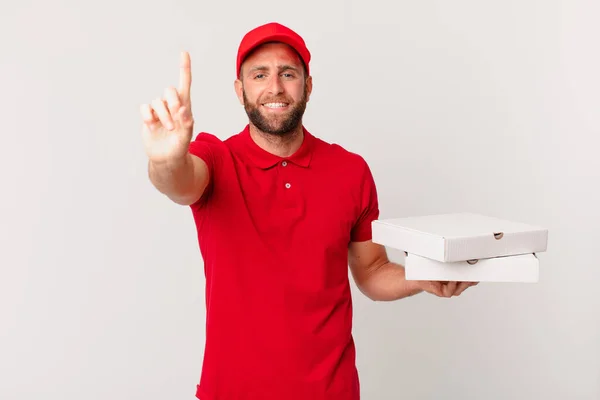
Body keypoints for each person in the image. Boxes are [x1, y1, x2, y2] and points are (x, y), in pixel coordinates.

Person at [140, 22, 477, 400]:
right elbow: (180, 182)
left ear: (308, 86)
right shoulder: (216, 158)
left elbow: (372, 272)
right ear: (240, 90)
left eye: (288, 73)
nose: (275, 87)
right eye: (259, 74)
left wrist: (422, 276)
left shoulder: (350, 171)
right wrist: (166, 160)